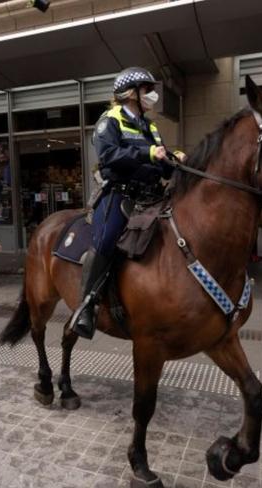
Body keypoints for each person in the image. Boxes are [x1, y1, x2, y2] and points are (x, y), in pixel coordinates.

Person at [68, 67, 186, 339]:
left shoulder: (151, 126)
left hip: (152, 195)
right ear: (131, 94)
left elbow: (160, 164)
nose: (152, 95)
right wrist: (148, 153)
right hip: (119, 195)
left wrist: (172, 160)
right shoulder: (109, 119)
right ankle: (86, 306)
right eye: (147, 90)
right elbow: (109, 155)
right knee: (106, 240)